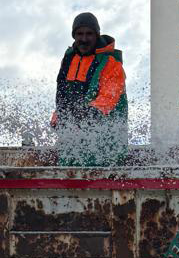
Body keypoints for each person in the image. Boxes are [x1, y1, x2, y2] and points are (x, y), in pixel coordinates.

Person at [52, 12, 128, 165]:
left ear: (97, 35)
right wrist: (58, 117)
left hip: (106, 135)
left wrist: (89, 112)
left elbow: (109, 97)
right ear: (74, 36)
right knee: (68, 165)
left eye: (89, 34)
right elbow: (63, 95)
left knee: (99, 164)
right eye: (79, 34)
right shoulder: (68, 59)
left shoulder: (111, 62)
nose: (84, 39)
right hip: (75, 134)